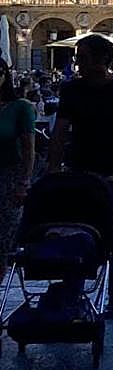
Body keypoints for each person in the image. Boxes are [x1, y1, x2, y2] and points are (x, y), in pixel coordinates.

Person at [47, 34, 113, 318]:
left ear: (103, 60)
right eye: (77, 57)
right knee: (76, 232)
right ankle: (72, 291)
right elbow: (60, 132)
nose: (77, 62)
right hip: (81, 172)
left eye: (83, 57)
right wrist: (54, 170)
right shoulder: (72, 90)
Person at [0, 58, 35, 279]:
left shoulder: (20, 107)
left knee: (2, 238)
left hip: (8, 179)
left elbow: (29, 149)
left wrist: (24, 182)